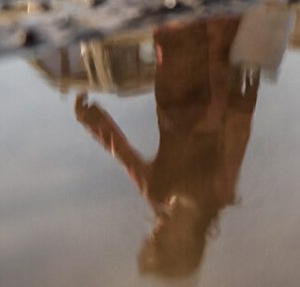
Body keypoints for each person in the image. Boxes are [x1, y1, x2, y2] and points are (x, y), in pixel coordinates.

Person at [75, 17, 260, 278]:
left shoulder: (156, 192)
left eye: (151, 240)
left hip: (170, 94)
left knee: (169, 34)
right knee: (213, 30)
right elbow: (236, 137)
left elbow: (122, 152)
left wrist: (93, 120)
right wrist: (245, 101)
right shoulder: (217, 193)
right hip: (208, 89)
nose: (153, 233)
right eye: (159, 242)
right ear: (185, 243)